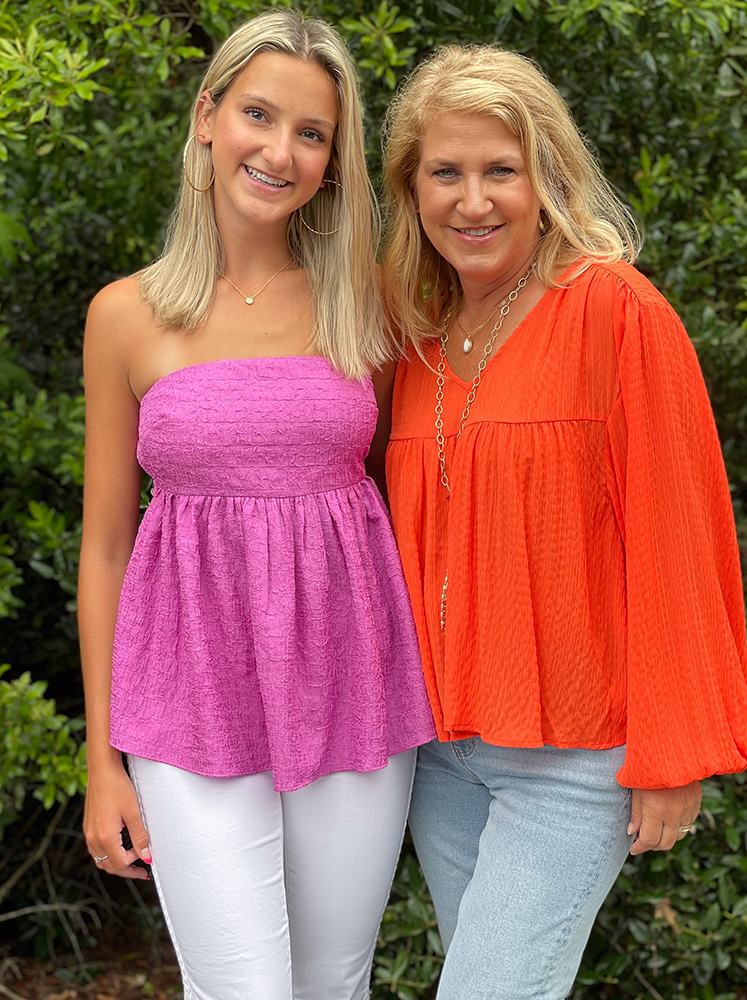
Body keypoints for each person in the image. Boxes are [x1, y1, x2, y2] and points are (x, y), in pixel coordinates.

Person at [381, 45, 747, 1000]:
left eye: (501, 170)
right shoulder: (415, 335)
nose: (473, 201)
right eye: (446, 172)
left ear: (546, 176)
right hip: (439, 755)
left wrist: (674, 752)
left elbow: (681, 536)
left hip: (574, 759)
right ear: (411, 188)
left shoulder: (615, 311)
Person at [78, 11, 434, 999]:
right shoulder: (125, 316)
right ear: (208, 117)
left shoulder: (369, 301)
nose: (280, 151)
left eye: (311, 133)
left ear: (331, 162)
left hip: (351, 686)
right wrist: (102, 759)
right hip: (185, 695)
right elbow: (104, 547)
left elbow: (414, 487)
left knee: (331, 983)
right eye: (259, 116)